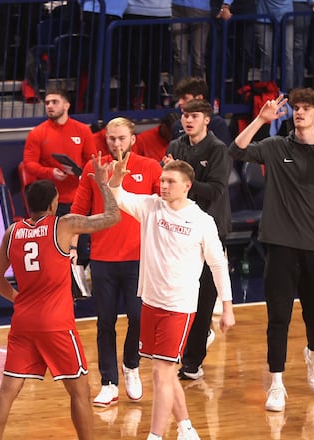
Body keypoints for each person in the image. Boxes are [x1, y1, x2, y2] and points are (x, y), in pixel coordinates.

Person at [229, 88, 314, 411]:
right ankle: (276, 383)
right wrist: (260, 119)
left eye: (306, 108)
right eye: (295, 108)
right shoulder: (274, 147)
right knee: (278, 318)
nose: (299, 113)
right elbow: (238, 150)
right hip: (281, 245)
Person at [0, 155, 122, 440]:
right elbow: (113, 217)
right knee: (80, 393)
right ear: (52, 205)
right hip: (57, 324)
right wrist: (102, 183)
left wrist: (18, 300)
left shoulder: (12, 232)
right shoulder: (64, 225)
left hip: (23, 322)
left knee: (7, 392)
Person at [108, 156, 235, 440]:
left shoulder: (202, 221)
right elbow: (116, 195)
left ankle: (155, 435)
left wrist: (227, 307)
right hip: (151, 302)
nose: (163, 185)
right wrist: (116, 176)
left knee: (160, 373)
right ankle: (186, 429)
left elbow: (217, 265)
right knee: (163, 372)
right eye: (162, 180)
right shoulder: (151, 207)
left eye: (170, 182)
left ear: (187, 186)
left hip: (179, 306)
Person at [70, 117, 162, 407]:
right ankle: (109, 382)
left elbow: (164, 206)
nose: (116, 143)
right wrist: (72, 247)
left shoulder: (149, 167)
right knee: (105, 322)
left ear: (133, 139)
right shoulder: (92, 168)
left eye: (122, 138)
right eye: (111, 138)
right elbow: (78, 210)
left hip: (139, 259)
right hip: (102, 259)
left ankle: (131, 366)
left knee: (138, 317)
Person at [163, 98, 232, 380]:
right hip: (179, 229)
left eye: (194, 116)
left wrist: (181, 181)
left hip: (209, 229)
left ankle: (193, 362)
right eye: (184, 115)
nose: (187, 120)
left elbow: (213, 191)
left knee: (204, 297)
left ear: (207, 120)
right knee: (180, 294)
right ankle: (189, 342)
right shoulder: (175, 146)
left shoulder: (217, 149)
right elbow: (168, 185)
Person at [22, 88, 95, 215]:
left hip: (78, 197)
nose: (50, 106)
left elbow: (91, 160)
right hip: (48, 200)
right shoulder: (37, 133)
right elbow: (29, 164)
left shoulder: (83, 130)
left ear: (67, 105)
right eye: (47, 103)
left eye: (55, 102)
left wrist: (80, 172)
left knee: (82, 235)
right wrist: (51, 172)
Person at [171, 77, 232, 145]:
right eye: (179, 98)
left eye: (184, 98)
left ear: (199, 98)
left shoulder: (217, 124)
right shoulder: (177, 126)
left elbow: (224, 153)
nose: (180, 102)